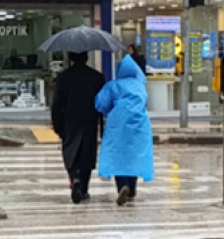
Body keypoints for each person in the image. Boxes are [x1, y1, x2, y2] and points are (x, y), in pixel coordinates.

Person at [96, 54, 154, 206]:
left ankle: (123, 185)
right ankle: (132, 188)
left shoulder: (113, 85)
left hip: (117, 124)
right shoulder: (140, 86)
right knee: (133, 154)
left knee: (117, 154)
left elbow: (101, 104)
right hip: (140, 125)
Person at [51, 52, 105, 204]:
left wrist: (57, 125)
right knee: (87, 154)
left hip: (70, 120)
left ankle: (74, 178)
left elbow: (57, 103)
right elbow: (101, 103)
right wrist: (102, 126)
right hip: (90, 120)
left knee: (70, 152)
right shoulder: (96, 77)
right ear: (87, 58)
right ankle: (84, 188)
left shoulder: (64, 77)